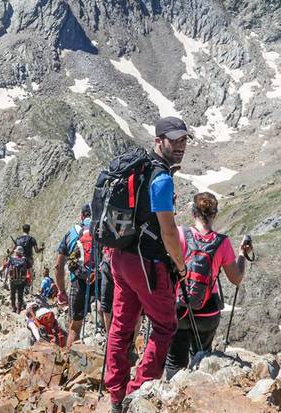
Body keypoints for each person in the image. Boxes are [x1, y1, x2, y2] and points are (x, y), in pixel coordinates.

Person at [105, 116, 191, 412]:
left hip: (120, 257)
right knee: (165, 326)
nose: (180, 146)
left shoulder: (138, 168)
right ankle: (138, 392)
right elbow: (168, 232)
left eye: (183, 140)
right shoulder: (162, 179)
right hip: (148, 265)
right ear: (158, 141)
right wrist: (180, 266)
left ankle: (116, 394)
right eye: (174, 140)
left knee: (121, 325)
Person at [164, 192, 252, 379]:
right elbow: (236, 278)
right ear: (215, 214)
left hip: (180, 308)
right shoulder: (222, 242)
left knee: (174, 362)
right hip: (208, 312)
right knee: (202, 358)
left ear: (193, 212)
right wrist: (242, 255)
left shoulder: (180, 234)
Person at [55, 204, 95, 348]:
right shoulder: (104, 229)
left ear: (82, 216)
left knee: (74, 327)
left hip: (78, 282)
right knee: (109, 324)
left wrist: (61, 291)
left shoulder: (71, 232)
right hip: (101, 281)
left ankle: (69, 361)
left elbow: (59, 266)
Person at [15, 224, 44, 293]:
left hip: (19, 259)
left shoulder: (18, 239)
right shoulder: (32, 239)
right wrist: (42, 248)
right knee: (30, 272)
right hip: (28, 259)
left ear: (23, 229)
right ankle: (27, 286)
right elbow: (37, 251)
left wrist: (9, 254)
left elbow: (14, 249)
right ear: (29, 230)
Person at [3, 246, 29, 313]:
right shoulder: (25, 260)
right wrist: (29, 280)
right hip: (22, 280)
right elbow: (29, 271)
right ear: (22, 253)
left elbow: (7, 270)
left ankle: (13, 307)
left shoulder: (11, 259)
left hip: (13, 280)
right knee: (20, 295)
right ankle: (19, 309)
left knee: (12, 294)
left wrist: (5, 279)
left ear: (16, 252)